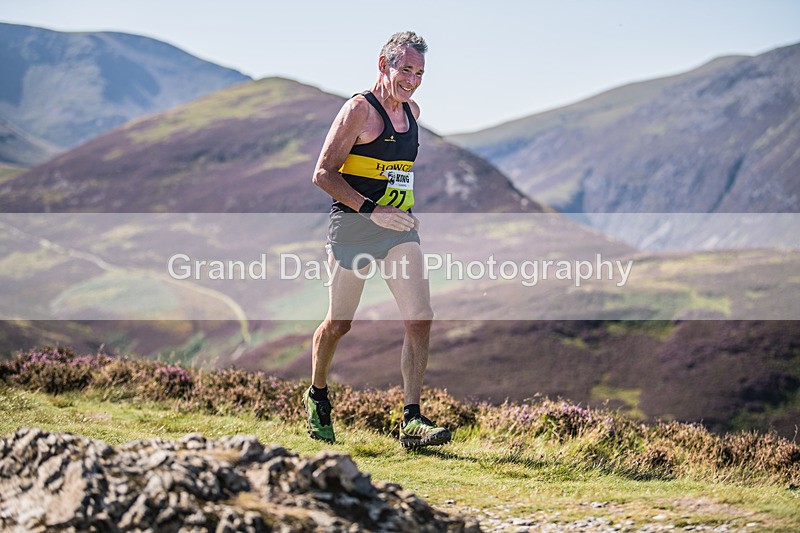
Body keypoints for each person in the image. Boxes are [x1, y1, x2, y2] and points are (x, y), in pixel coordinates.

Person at [302, 31, 451, 448]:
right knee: (339, 324)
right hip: (353, 228)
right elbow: (323, 174)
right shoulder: (358, 110)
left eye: (419, 72)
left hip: (397, 232)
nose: (413, 80)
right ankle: (317, 395)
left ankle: (411, 420)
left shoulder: (413, 112)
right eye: (406, 69)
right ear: (383, 65)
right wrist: (373, 210)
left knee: (419, 318)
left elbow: (395, 171)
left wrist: (399, 209)